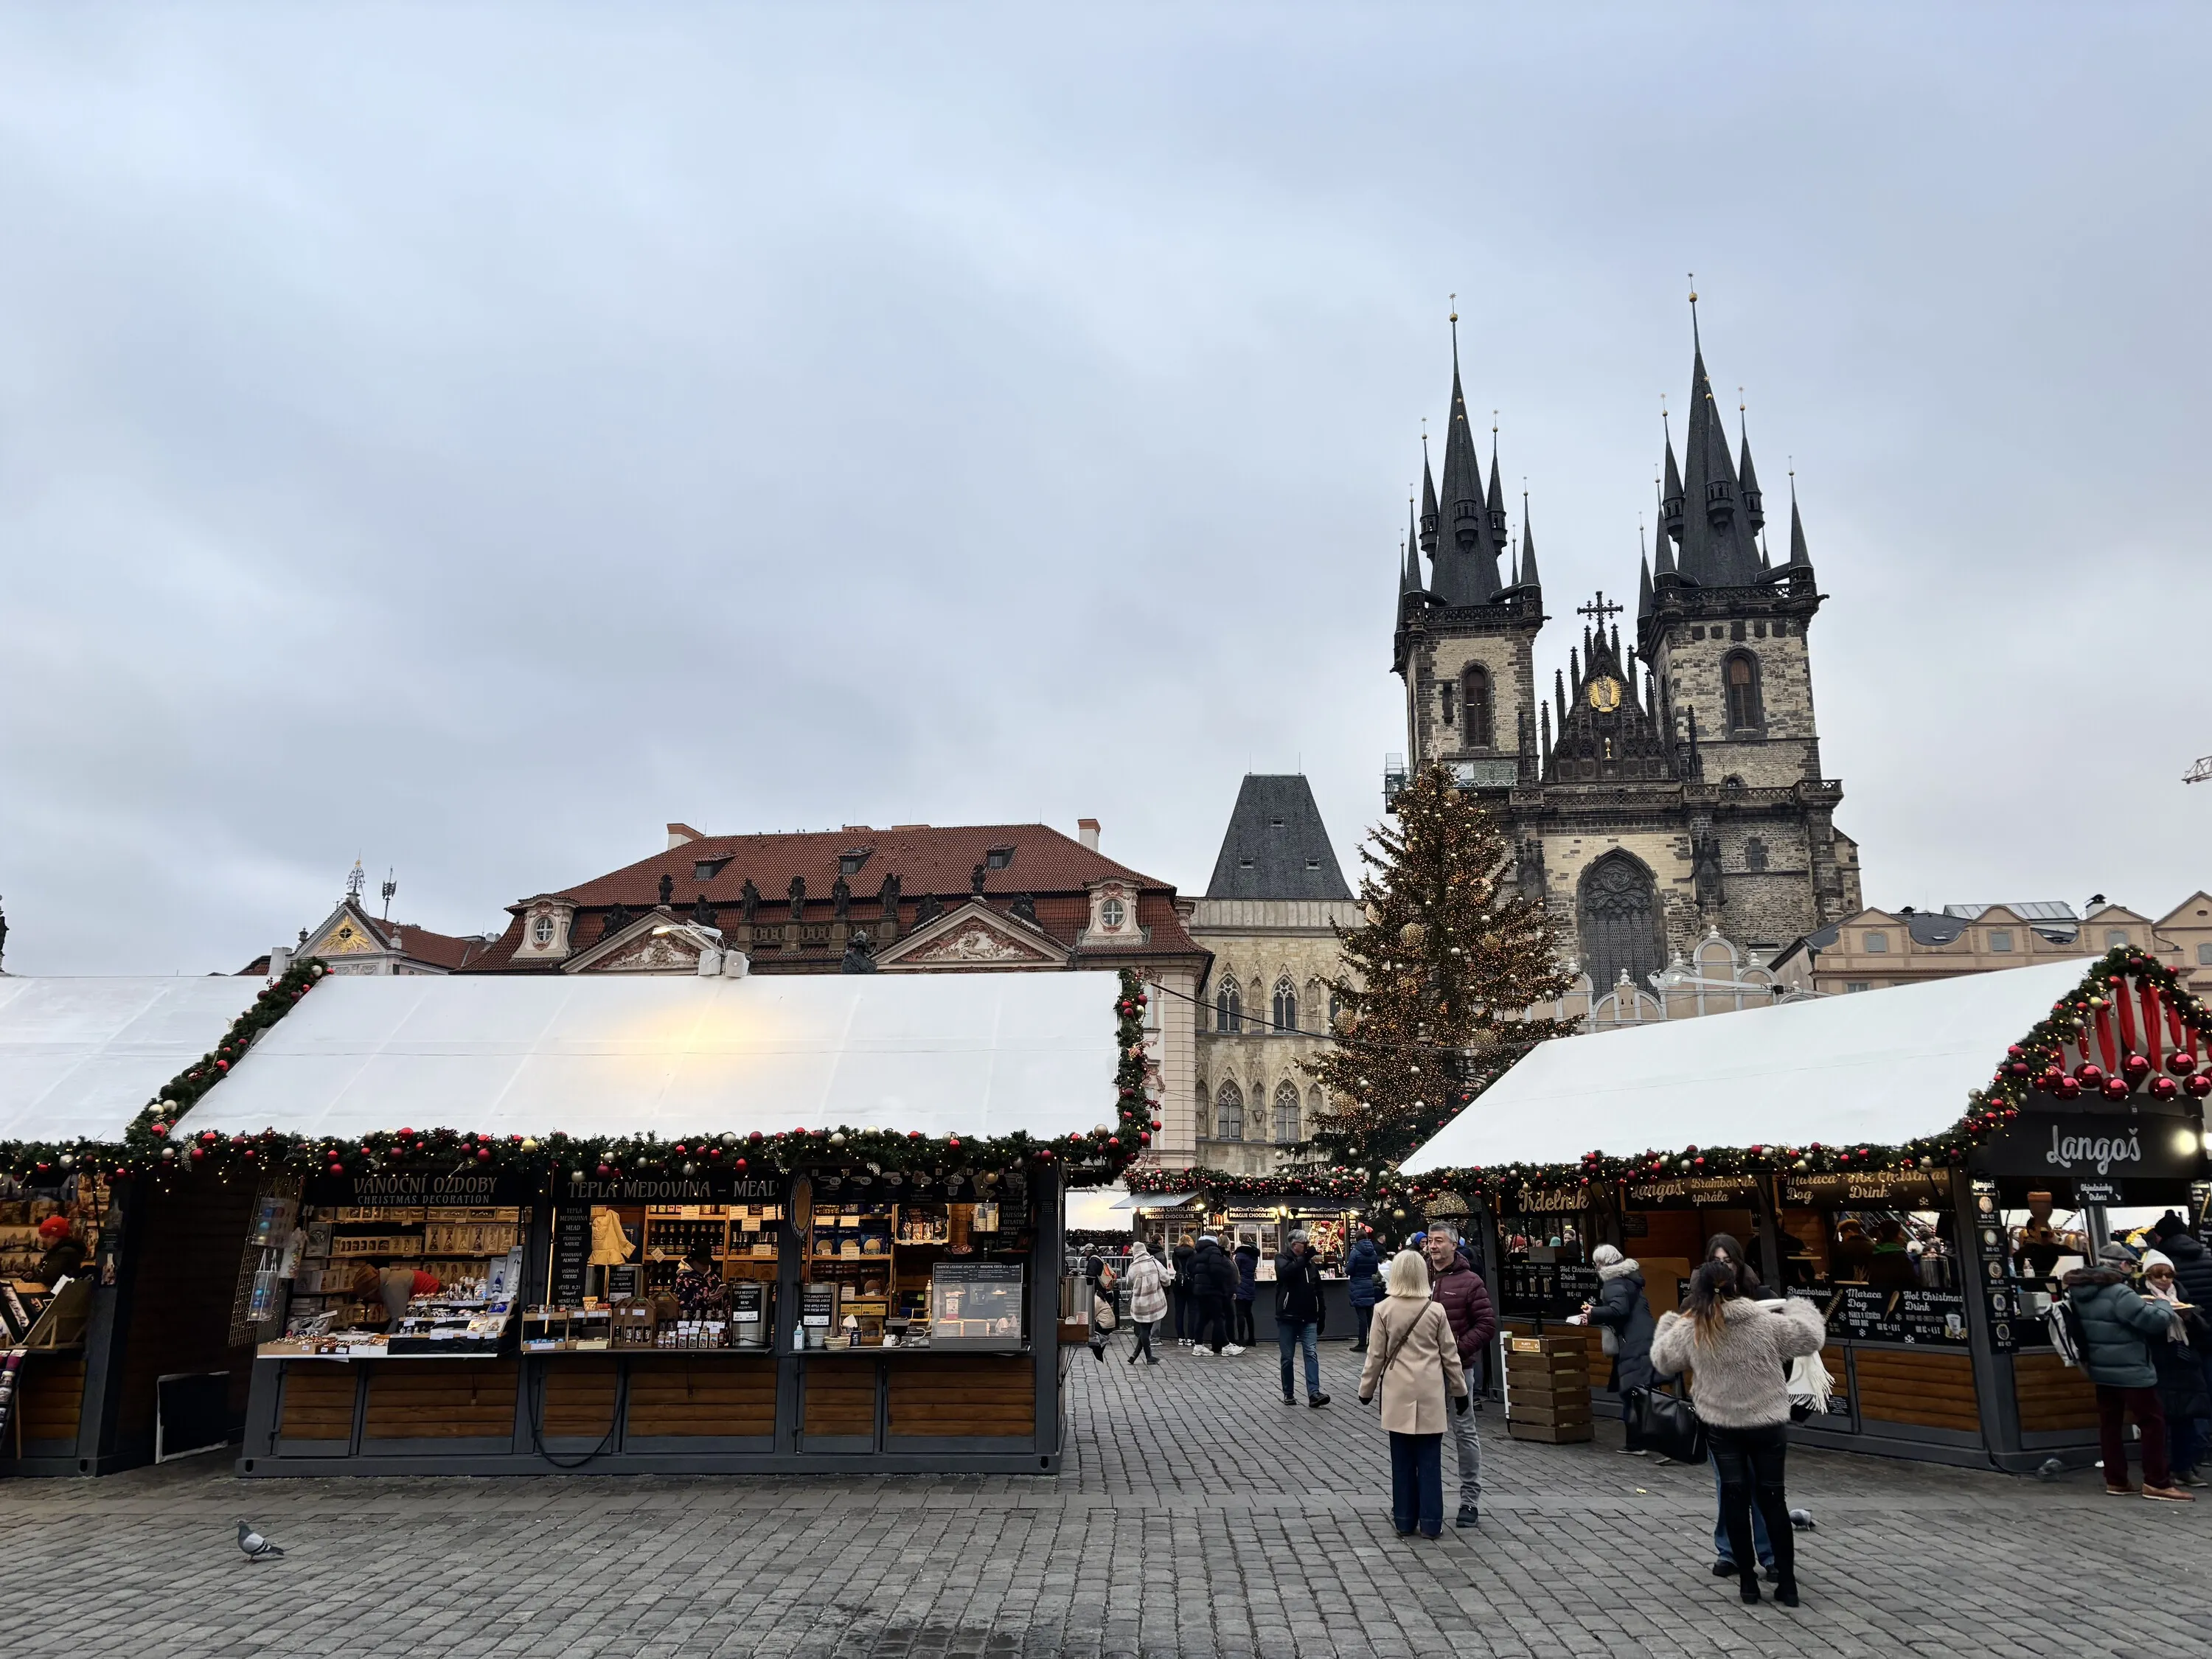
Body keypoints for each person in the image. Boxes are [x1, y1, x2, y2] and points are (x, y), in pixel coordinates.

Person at [1651, 1259, 1825, 1607]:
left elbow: (1662, 1361)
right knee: (1774, 1500)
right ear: (1735, 1286)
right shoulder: (1763, 1323)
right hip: (1768, 1424)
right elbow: (1811, 1337)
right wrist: (1800, 1306)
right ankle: (1787, 1584)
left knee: (1734, 1499)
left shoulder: (1694, 1330)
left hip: (1723, 1426)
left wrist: (1669, 1322)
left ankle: (1747, 1583)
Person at [2065, 1241, 2194, 1500]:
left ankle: (2116, 1480)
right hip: (2131, 1370)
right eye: (2129, 1265)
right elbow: (2154, 1322)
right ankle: (2157, 1482)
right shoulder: (2118, 1293)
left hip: (2102, 1369)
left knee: (2110, 1426)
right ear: (2122, 1265)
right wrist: (2163, 1304)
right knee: (2153, 1423)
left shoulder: (2080, 1291)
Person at [1357, 1249, 1470, 1538]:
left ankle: (1405, 1520)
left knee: (1402, 1463)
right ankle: (1432, 1523)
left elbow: (1375, 1356)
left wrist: (1366, 1390)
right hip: (1430, 1392)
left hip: (1398, 1393)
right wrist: (1460, 1391)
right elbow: (1450, 1356)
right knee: (1430, 1463)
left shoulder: (1383, 1309)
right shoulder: (1435, 1310)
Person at [1698, 1235, 1779, 1576]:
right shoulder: (1701, 1301)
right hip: (1720, 1407)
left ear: (1739, 1262)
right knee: (1728, 1486)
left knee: (1764, 1486)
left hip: (1761, 1405)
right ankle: (1729, 1551)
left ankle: (1771, 1554)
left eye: (1729, 1260)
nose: (1724, 1266)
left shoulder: (1761, 1296)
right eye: (1718, 1260)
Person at [1423, 1222, 1495, 1526]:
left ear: (1454, 1244)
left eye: (1440, 1241)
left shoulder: (1470, 1281)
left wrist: (1456, 1350)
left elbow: (1487, 1324)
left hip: (1458, 1371)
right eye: (1430, 1241)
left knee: (1464, 1432)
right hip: (1423, 1372)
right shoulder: (1418, 1277)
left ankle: (1469, 1500)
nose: (1434, 1246)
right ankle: (1425, 1498)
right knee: (1425, 1435)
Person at [2139, 1250, 2211, 1485]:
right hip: (2160, 1362)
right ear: (2148, 1275)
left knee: (2187, 1418)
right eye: (2158, 1274)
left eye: (2168, 1274)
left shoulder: (2182, 1293)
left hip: (2185, 1361)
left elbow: (2204, 1335)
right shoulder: (2141, 1297)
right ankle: (2162, 1469)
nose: (2164, 1279)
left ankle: (2184, 1467)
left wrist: (2191, 1318)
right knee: (2161, 1419)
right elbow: (2144, 1330)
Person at [1584, 1242, 1657, 1454]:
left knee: (1631, 1393)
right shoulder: (1629, 1278)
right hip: (1643, 1339)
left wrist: (1593, 1312)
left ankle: (1637, 1443)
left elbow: (1619, 1310)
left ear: (1601, 1263)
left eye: (1596, 1263)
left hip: (1632, 1343)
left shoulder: (1613, 1282)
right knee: (1640, 1392)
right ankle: (1644, 1440)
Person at [1274, 1231, 1330, 1406]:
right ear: (1294, 1244)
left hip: (1309, 1317)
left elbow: (1318, 1290)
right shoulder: (1282, 1258)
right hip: (1288, 1316)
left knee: (1311, 1354)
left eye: (1307, 1244)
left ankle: (1314, 1393)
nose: (1307, 1247)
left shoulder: (1310, 1265)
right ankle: (1288, 1392)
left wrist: (1322, 1314)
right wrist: (1303, 1259)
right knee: (1287, 1357)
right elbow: (1285, 1274)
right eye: (1304, 1244)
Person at [1189, 1234, 1239, 1355]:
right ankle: (1226, 1345)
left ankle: (1199, 1345)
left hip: (1200, 1289)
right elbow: (1217, 1271)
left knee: (1202, 1318)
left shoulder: (1198, 1251)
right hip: (1212, 1289)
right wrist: (1224, 1287)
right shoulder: (1214, 1251)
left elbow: (1191, 1267)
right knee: (1218, 1317)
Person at [1124, 1240, 1169, 1366]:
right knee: (1146, 1329)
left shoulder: (1133, 1267)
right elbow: (1165, 1279)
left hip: (1140, 1302)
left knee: (1145, 1328)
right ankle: (1149, 1357)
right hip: (1154, 1300)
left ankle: (1135, 1355)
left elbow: (1129, 1282)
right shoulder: (1154, 1262)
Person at [1347, 1225, 1382, 1352]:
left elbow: (1349, 1269)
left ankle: (1362, 1342)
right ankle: (1373, 1341)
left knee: (1361, 1316)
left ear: (1356, 1239)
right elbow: (1374, 1269)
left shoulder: (1355, 1252)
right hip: (1369, 1284)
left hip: (1357, 1285)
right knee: (1370, 1316)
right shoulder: (1373, 1252)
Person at [1863, 1220, 1918, 1291]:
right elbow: (1912, 1284)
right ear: (1896, 1236)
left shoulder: (1871, 1256)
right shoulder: (1903, 1260)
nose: (1904, 1238)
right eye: (1902, 1234)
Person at [32, 1215, 87, 1285]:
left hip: (58, 1295)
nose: (43, 1240)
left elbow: (49, 1279)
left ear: (58, 1236)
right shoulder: (55, 1252)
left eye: (47, 1236)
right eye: (42, 1236)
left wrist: (37, 1276)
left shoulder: (65, 1253)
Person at [673, 1247, 726, 1313]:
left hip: (715, 1320)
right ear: (692, 1261)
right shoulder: (682, 1280)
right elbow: (680, 1308)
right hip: (691, 1322)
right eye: (701, 1262)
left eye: (707, 1262)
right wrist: (707, 1301)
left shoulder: (714, 1276)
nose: (705, 1265)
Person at [1232, 1236, 1260, 1347]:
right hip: (1250, 1286)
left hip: (1240, 1285)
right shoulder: (1254, 1256)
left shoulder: (1240, 1256)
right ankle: (1252, 1339)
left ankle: (1241, 1339)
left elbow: (1235, 1271)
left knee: (1240, 1313)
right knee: (1249, 1313)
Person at [1172, 1237, 1197, 1346]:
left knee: (1179, 1312)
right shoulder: (1193, 1252)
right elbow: (1193, 1267)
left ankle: (1181, 1338)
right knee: (1192, 1312)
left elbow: (1175, 1266)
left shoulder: (1175, 1252)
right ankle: (1191, 1338)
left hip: (1178, 1283)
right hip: (1190, 1282)